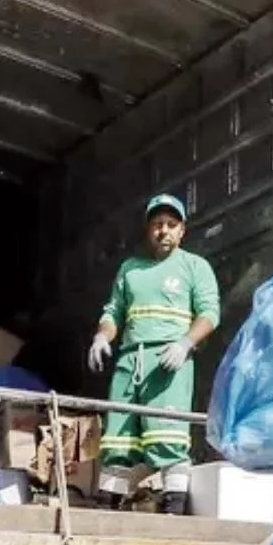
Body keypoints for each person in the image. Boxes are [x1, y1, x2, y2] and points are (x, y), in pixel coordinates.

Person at [88, 194, 220, 515]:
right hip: (129, 361)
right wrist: (102, 336)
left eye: (171, 225)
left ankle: (174, 509)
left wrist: (185, 343)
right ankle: (107, 508)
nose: (164, 231)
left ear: (182, 231)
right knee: (117, 440)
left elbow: (209, 314)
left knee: (168, 437)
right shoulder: (130, 269)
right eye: (158, 224)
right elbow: (113, 312)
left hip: (168, 363)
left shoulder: (194, 267)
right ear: (148, 230)